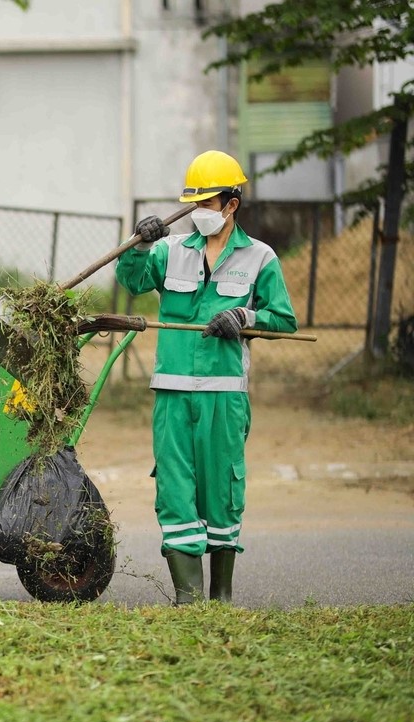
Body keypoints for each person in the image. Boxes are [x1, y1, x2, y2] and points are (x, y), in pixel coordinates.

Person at [116, 150, 298, 605]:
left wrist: (244, 314)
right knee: (175, 491)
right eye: (193, 205)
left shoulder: (260, 257)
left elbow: (285, 319)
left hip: (223, 397)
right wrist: (139, 243)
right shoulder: (170, 250)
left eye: (207, 205)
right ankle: (189, 601)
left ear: (231, 204)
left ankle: (220, 598)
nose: (199, 214)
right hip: (173, 396)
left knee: (221, 493)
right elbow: (131, 280)